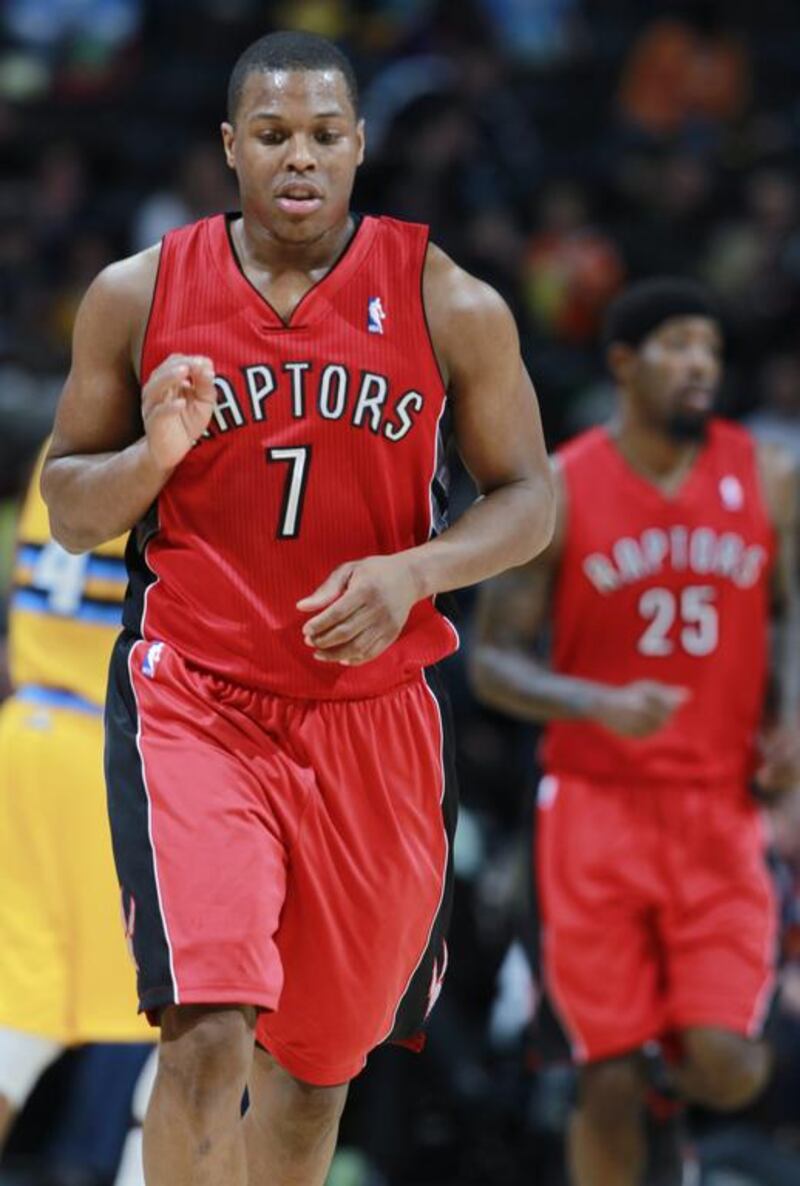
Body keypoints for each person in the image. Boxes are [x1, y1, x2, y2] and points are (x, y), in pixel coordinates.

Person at [40, 29, 554, 1186]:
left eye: (325, 135)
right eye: (272, 136)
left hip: (371, 720)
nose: (300, 159)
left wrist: (412, 573)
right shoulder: (138, 293)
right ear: (229, 148)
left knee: (319, 1067)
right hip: (198, 703)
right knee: (208, 1022)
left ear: (361, 145)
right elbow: (69, 504)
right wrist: (151, 458)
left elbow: (531, 499)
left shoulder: (445, 298)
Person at [471, 277, 800, 1186]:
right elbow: (491, 659)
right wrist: (594, 702)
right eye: (678, 345)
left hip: (718, 808)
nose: (702, 365)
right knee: (601, 1076)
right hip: (591, 807)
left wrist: (796, 713)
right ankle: (637, 1091)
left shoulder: (770, 475)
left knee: (728, 1065)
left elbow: (795, 609)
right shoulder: (564, 487)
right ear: (623, 363)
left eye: (711, 350)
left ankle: (673, 1089)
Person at [0, 444, 155, 1177]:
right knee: (193, 1022)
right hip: (110, 750)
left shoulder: (62, 443)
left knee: (13, 1022)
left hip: (24, 731)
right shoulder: (170, 449)